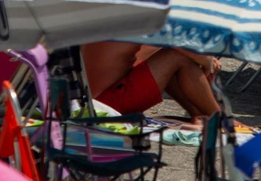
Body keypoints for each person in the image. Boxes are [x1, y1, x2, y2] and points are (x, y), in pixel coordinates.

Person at [81, 41, 220, 126]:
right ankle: (219, 118)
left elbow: (153, 49)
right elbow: (176, 43)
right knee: (177, 56)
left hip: (89, 101)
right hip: (105, 105)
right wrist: (207, 61)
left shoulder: (112, 14)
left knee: (169, 56)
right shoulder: (136, 16)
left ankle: (200, 115)